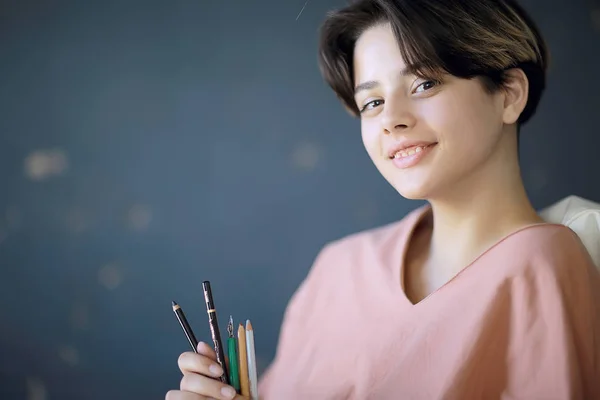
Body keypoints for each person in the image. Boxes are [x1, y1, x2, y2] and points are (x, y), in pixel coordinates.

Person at [166, 0, 600, 399]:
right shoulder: (338, 268)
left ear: (509, 93)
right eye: (371, 102)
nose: (391, 120)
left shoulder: (538, 262)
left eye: (425, 83)